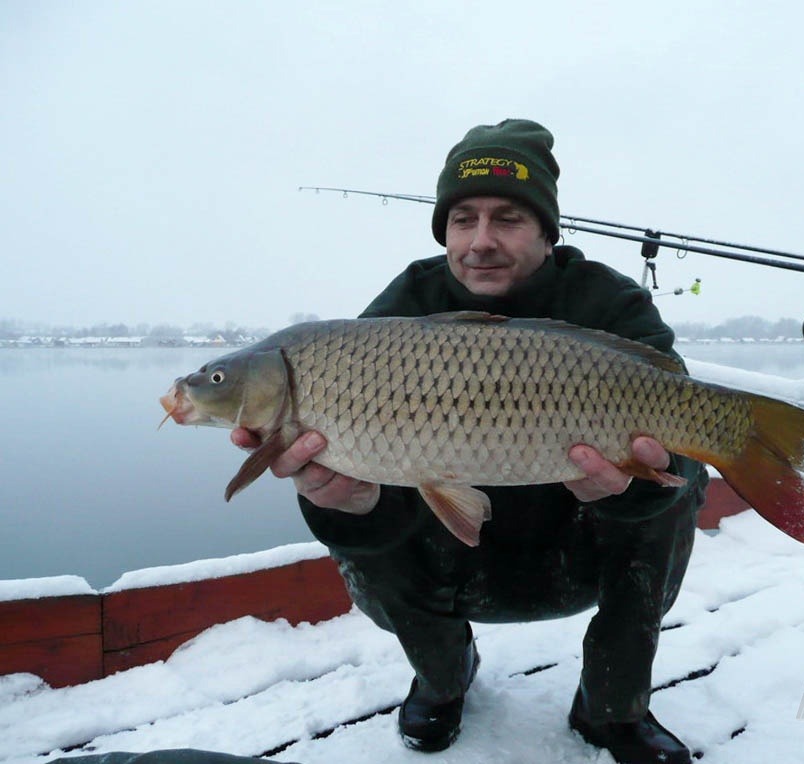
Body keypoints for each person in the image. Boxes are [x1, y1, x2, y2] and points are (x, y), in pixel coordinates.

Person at [232, 119, 709, 764]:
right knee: (343, 496)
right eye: (463, 220)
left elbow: (673, 428)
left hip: (579, 554)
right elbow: (376, 503)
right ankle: (443, 678)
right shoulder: (394, 317)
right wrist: (349, 504)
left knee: (679, 480)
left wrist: (632, 489)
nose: (481, 242)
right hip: (459, 564)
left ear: (548, 233)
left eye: (508, 218)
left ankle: (611, 706)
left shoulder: (611, 306)